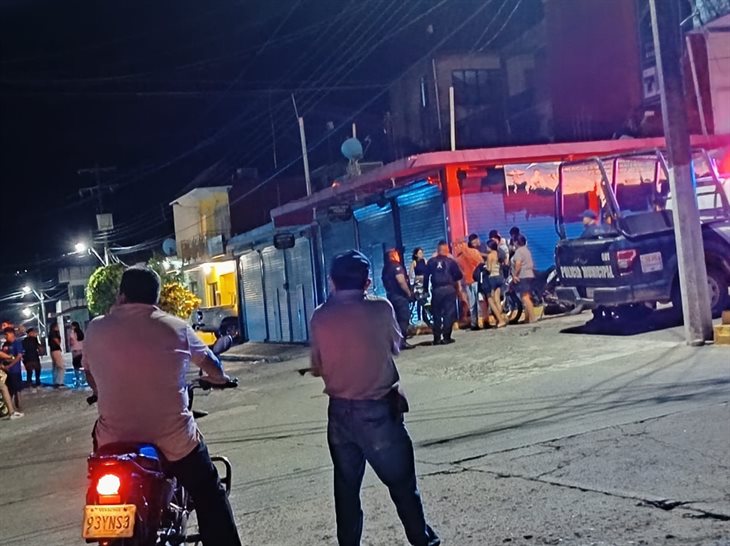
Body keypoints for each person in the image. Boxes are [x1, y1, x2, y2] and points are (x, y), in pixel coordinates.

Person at [83, 266, 241, 546]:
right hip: (173, 440)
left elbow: (90, 373)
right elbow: (212, 366)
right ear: (156, 297)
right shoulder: (176, 327)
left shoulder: (96, 328)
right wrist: (221, 379)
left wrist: (102, 391)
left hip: (113, 441)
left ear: (121, 295)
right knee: (208, 491)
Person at [309, 250, 440, 546]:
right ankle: (422, 541)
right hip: (378, 412)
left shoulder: (320, 316)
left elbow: (317, 366)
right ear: (368, 282)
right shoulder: (381, 309)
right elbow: (395, 346)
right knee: (403, 488)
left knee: (346, 491)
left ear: (332, 281)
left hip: (339, 415)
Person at [425, 241, 464, 345]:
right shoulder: (451, 262)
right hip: (449, 289)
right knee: (449, 313)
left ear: (438, 250)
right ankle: (446, 337)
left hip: (437, 290)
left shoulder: (431, 262)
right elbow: (459, 275)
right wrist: (453, 280)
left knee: (436, 314)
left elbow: (426, 277)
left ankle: (437, 338)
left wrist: (425, 290)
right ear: (446, 250)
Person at [382, 249, 414, 350]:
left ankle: (395, 342)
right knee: (404, 318)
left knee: (395, 320)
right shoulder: (396, 266)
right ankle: (402, 342)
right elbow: (401, 281)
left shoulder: (385, 268)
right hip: (399, 296)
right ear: (392, 255)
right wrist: (409, 293)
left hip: (391, 296)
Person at [455, 234, 485, 330]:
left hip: (468, 281)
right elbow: (482, 264)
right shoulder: (474, 252)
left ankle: (474, 323)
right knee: (479, 301)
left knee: (472, 303)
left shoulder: (458, 259)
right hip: (476, 280)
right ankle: (481, 321)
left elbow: (460, 272)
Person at [511, 235, 537, 324]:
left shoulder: (518, 252)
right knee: (527, 296)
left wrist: (515, 275)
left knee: (525, 297)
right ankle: (527, 318)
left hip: (523, 276)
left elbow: (518, 264)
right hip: (530, 275)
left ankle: (533, 318)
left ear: (516, 242)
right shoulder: (527, 250)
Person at [1, 327, 24, 412]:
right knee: (8, 389)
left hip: (15, 371)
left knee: (17, 389)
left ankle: (19, 406)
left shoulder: (17, 344)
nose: (5, 337)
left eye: (7, 334)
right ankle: (8, 408)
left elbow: (19, 357)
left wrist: (9, 365)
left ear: (12, 334)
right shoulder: (5, 345)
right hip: (6, 371)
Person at [485, 240, 507, 327]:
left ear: (490, 247)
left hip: (492, 278)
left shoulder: (490, 256)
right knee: (498, 299)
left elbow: (489, 269)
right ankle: (501, 318)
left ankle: (500, 320)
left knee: (493, 300)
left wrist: (485, 267)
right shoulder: (498, 254)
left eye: (487, 246)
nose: (486, 248)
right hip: (499, 277)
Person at [409, 248, 429, 323]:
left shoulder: (425, 261)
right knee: (419, 300)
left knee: (424, 300)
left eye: (422, 253)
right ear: (416, 255)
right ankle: (419, 318)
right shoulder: (414, 262)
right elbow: (410, 274)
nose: (421, 254)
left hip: (425, 282)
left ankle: (425, 317)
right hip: (418, 283)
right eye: (420, 253)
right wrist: (415, 279)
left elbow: (428, 270)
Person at [69, 321, 85, 388]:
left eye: (72, 326)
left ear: (74, 326)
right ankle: (83, 379)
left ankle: (78, 380)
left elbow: (71, 342)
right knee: (82, 365)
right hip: (81, 350)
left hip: (75, 351)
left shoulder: (72, 333)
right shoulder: (81, 332)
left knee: (76, 367)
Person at [48, 322, 65, 388]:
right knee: (61, 366)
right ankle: (59, 382)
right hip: (56, 350)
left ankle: (56, 381)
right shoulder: (54, 333)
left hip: (53, 350)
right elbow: (57, 341)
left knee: (55, 366)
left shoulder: (50, 334)